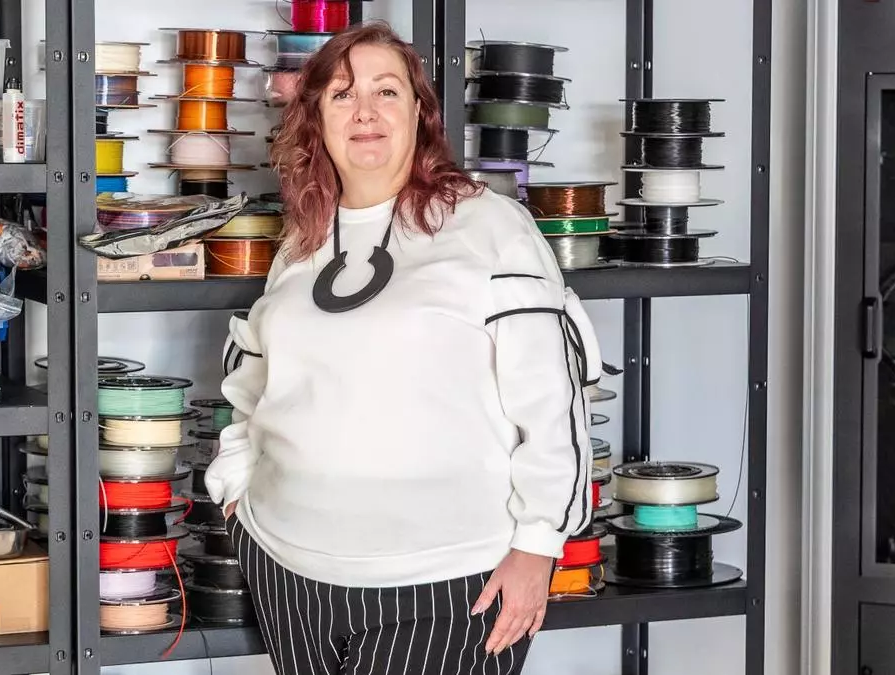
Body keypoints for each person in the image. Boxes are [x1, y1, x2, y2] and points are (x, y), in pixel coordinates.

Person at [206, 21, 601, 675]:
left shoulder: (490, 226)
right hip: (288, 568)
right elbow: (253, 382)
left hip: (450, 581)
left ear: (420, 110)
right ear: (317, 118)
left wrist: (539, 544)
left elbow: (552, 397)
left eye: (386, 91)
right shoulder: (303, 240)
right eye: (342, 94)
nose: (364, 111)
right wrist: (234, 488)